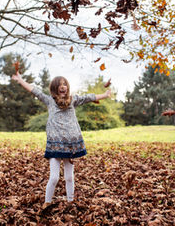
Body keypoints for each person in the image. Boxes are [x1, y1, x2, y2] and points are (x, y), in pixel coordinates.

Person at [11, 72, 111, 208]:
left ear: (67, 87)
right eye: (60, 85)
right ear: (55, 88)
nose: (63, 87)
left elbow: (89, 97)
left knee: (69, 177)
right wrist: (20, 80)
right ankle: (47, 202)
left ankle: (70, 201)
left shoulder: (73, 100)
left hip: (70, 145)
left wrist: (105, 95)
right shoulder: (49, 101)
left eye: (65, 84)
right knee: (54, 177)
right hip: (54, 145)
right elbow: (34, 90)